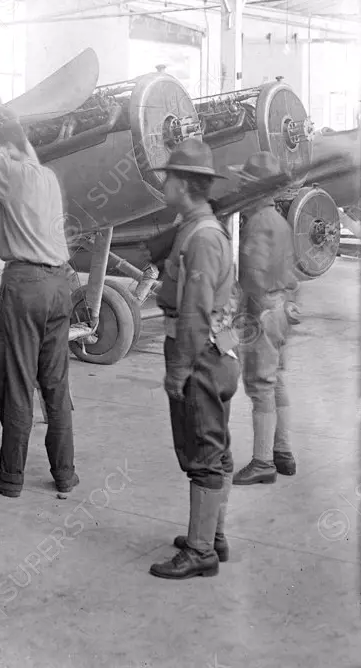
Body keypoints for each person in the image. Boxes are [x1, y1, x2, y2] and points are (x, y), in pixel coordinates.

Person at [0, 106, 77, 499]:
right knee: (55, 386)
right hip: (60, 286)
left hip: (26, 285)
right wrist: (8, 124)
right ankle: (65, 474)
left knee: (19, 383)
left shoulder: (8, 174)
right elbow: (23, 151)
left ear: (6, 147)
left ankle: (10, 476)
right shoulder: (47, 178)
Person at [148, 138, 240, 580]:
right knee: (215, 449)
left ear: (183, 184)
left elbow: (195, 311)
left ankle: (201, 550)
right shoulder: (202, 228)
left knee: (202, 452)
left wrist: (178, 369)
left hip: (200, 355)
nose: (163, 183)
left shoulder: (201, 238)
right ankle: (212, 536)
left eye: (168, 176)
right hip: (218, 352)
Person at [231, 152, 298, 484]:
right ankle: (283, 452)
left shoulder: (257, 223)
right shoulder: (280, 221)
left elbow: (252, 278)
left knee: (260, 386)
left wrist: (241, 324)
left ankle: (263, 462)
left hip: (263, 311)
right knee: (277, 382)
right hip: (283, 308)